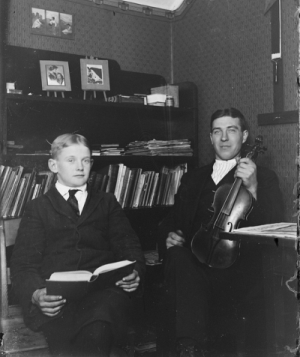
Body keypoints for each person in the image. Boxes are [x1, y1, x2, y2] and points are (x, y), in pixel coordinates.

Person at [156, 108, 284, 357]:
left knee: (183, 277)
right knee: (177, 258)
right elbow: (171, 220)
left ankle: (189, 345)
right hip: (195, 263)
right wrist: (169, 235)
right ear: (210, 138)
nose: (224, 138)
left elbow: (275, 227)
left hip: (235, 268)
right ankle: (189, 348)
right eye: (217, 131)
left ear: (244, 136)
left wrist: (254, 188)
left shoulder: (265, 177)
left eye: (231, 130)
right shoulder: (194, 177)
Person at [11, 133, 146, 357]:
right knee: (79, 338)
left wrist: (136, 272)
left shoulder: (107, 202)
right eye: (71, 160)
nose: (80, 167)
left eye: (86, 160)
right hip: (58, 301)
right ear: (54, 165)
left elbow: (129, 247)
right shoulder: (38, 208)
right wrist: (36, 295)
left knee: (99, 323)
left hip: (103, 294)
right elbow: (23, 265)